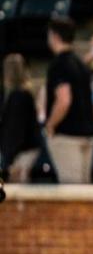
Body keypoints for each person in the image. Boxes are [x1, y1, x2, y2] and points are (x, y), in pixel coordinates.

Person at [44, 16, 93, 184]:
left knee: (71, 192)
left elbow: (64, 100)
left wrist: (50, 125)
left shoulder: (59, 64)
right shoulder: (80, 63)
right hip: (87, 133)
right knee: (83, 192)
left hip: (67, 136)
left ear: (54, 36)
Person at [0, 54, 42, 182]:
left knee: (18, 191)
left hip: (21, 152)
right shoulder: (23, 94)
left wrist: (10, 159)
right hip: (25, 149)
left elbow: (15, 131)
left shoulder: (18, 96)